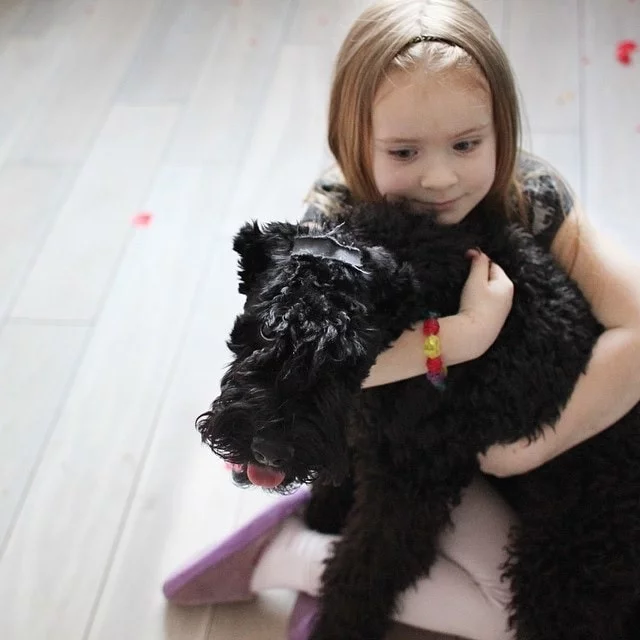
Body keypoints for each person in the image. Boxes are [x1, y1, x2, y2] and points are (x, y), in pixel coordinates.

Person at [163, 1, 640, 639]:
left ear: (502, 131)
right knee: (503, 609)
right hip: (417, 437)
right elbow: (305, 363)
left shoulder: (532, 193)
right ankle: (292, 557)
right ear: (354, 146)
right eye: (404, 151)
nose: (439, 176)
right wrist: (461, 338)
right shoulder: (331, 219)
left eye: (467, 144)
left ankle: (321, 543)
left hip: (501, 441)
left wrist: (535, 447)